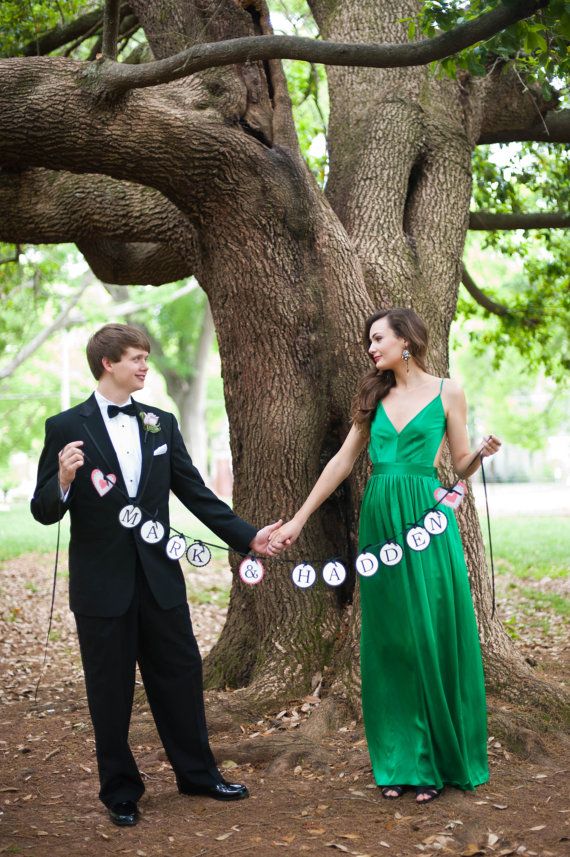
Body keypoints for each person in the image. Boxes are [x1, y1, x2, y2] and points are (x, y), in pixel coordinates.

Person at [31, 323, 284, 827]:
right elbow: (43, 512)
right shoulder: (64, 426)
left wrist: (248, 536)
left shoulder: (161, 423)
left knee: (182, 677)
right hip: (101, 585)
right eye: (136, 358)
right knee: (110, 690)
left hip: (159, 577)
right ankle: (120, 791)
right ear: (108, 364)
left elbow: (196, 493)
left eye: (146, 357)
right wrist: (62, 479)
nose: (145, 366)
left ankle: (198, 774)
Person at [269, 308, 501, 804]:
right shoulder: (373, 396)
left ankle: (439, 756)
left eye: (378, 338)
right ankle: (399, 759)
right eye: (368, 340)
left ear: (406, 340)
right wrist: (299, 519)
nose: (371, 348)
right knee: (391, 638)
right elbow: (342, 462)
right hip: (380, 517)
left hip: (426, 520)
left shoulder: (447, 391)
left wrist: (481, 453)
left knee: (428, 631)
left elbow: (459, 467)